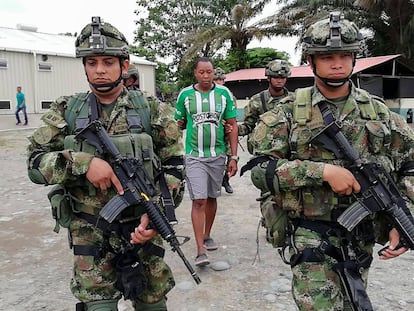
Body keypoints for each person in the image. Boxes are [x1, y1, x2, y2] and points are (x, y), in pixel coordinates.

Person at [248, 12, 414, 310]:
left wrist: (401, 219)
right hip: (310, 231)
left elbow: (409, 167)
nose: (337, 64)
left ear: (354, 59)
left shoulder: (379, 113)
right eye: (326, 57)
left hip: (360, 235)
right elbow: (261, 170)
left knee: (355, 303)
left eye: (344, 56)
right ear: (311, 61)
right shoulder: (287, 112)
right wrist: (321, 172)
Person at [26, 16, 184, 311]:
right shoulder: (67, 110)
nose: (99, 70)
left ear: (124, 65)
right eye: (91, 62)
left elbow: (174, 168)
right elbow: (35, 163)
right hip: (91, 239)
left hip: (143, 233)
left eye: (108, 62)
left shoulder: (152, 110)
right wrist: (81, 162)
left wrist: (156, 217)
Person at [174, 57, 239, 266]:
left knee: (211, 197)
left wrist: (234, 156)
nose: (205, 76)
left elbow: (232, 125)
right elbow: (179, 123)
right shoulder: (185, 95)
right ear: (195, 73)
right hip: (194, 156)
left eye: (209, 72)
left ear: (214, 73)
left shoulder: (224, 94)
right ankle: (200, 249)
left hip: (217, 155)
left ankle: (207, 234)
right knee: (199, 200)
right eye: (201, 72)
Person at [238, 59, 291, 154]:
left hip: (289, 151)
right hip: (264, 150)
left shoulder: (294, 100)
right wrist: (234, 129)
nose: (279, 80)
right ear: (268, 78)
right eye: (276, 77)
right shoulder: (257, 100)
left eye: (283, 77)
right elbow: (248, 126)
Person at [214, 67, 235, 194]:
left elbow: (232, 118)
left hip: (226, 135)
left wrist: (228, 125)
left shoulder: (228, 95)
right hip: (213, 133)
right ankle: (216, 182)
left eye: (221, 79)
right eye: (216, 79)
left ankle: (226, 180)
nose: (219, 82)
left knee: (228, 158)